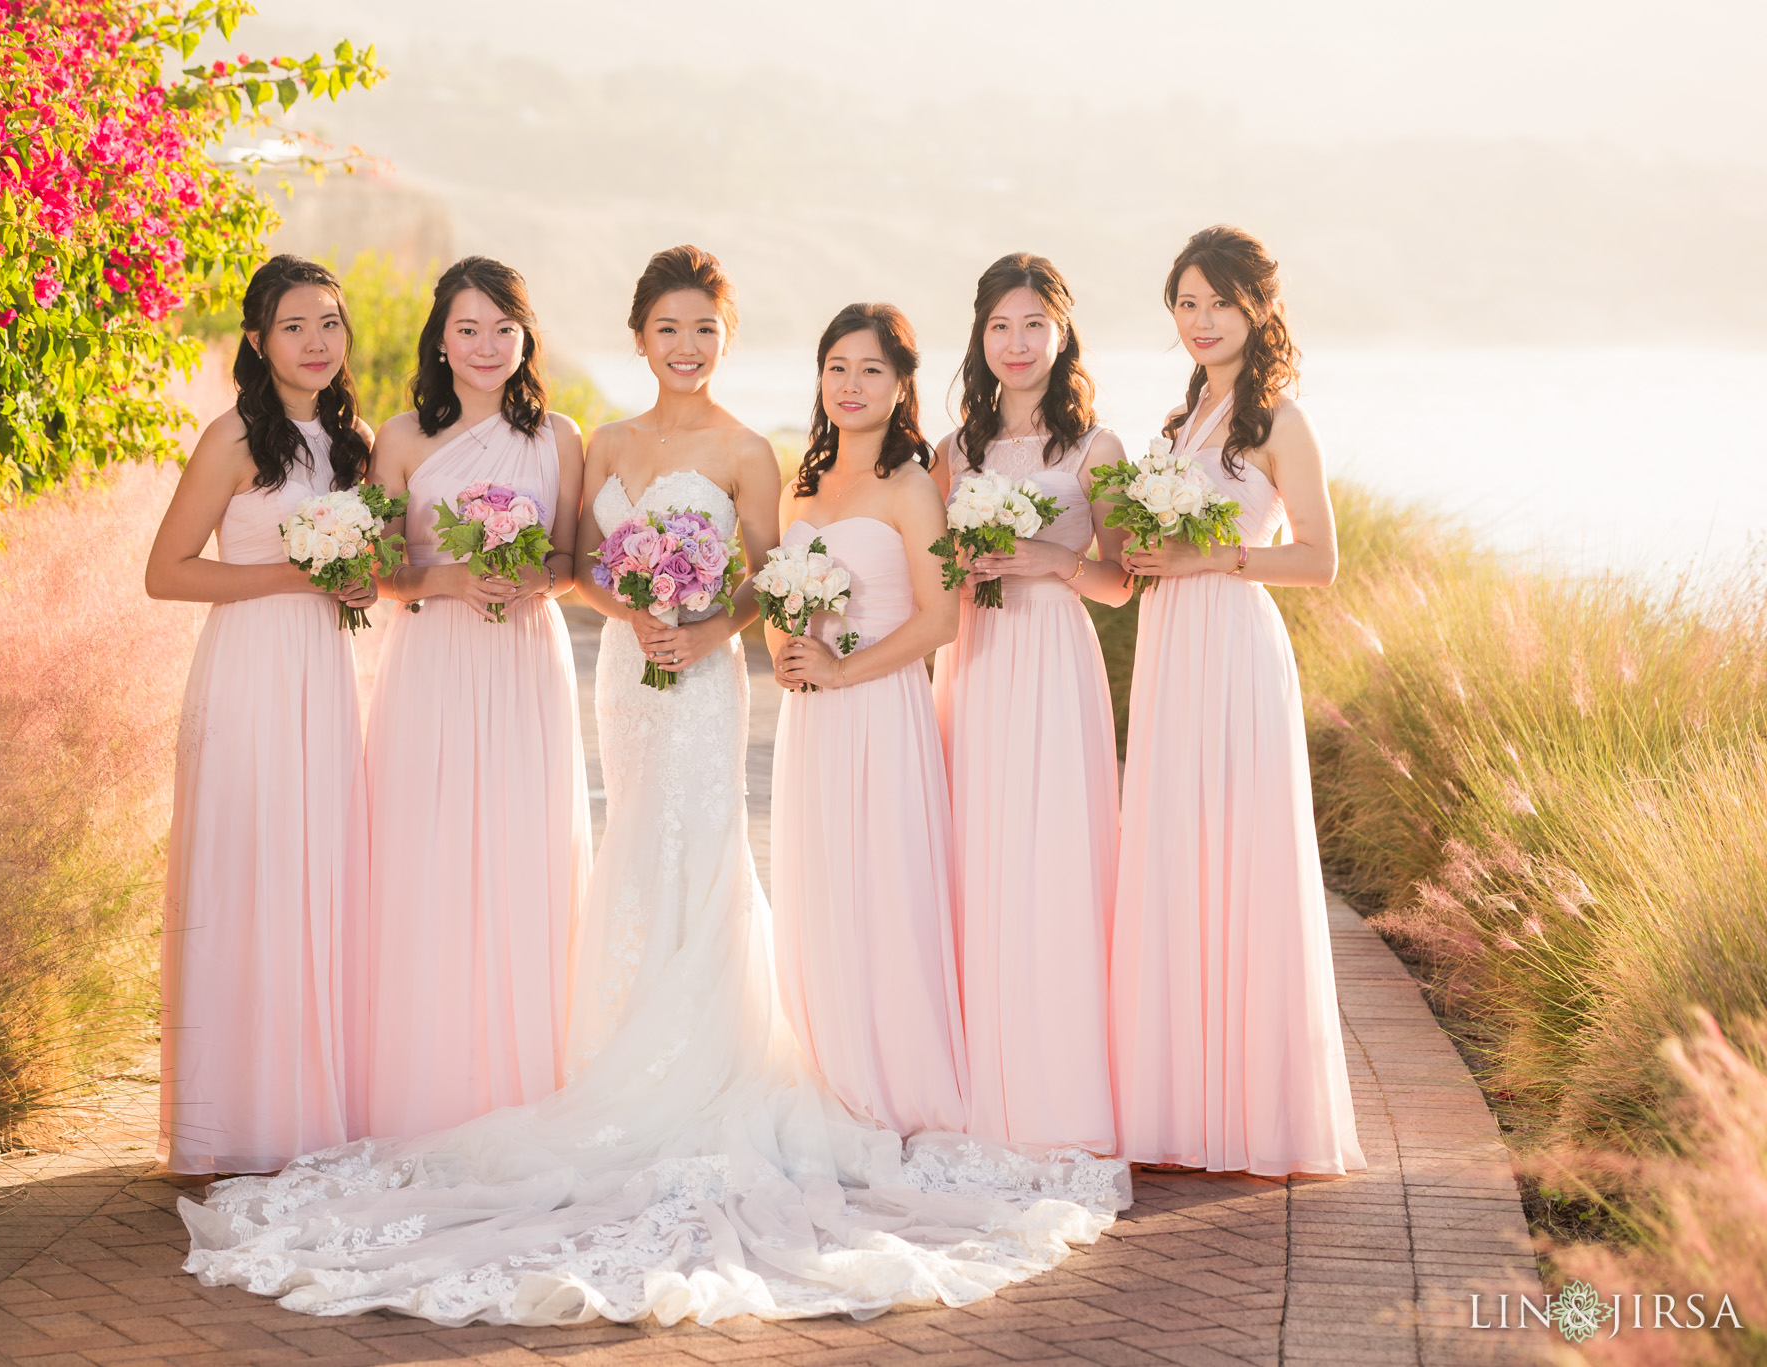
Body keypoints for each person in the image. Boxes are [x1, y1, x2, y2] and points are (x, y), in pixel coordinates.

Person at [178, 250, 1128, 1327]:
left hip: (704, 674)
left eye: (705, 331)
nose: (686, 347)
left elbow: (773, 580)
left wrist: (711, 625)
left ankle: (705, 1058)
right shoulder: (606, 443)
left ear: (726, 340)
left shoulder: (748, 451)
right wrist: (628, 609)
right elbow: (574, 560)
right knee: (628, 842)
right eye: (668, 329)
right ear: (639, 336)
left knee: (704, 851)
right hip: (624, 671)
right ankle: (609, 1049)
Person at [1108, 225, 1366, 1177]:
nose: (1201, 321)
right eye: (1186, 303)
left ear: (1258, 307)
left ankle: (1253, 1112)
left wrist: (1208, 555)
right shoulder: (1182, 422)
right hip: (1175, 647)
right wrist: (1145, 554)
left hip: (1237, 649)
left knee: (1240, 859)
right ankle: (1180, 1103)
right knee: (1178, 853)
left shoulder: (1279, 421)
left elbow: (1320, 561)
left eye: (1218, 302)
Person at [143, 254, 376, 1175]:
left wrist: (357, 580)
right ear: (257, 340)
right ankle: (234, 1125)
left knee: (317, 874)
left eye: (330, 323)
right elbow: (166, 572)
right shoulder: (234, 436)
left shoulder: (354, 441)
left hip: (325, 671)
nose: (317, 342)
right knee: (248, 874)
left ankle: (306, 1109)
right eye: (294, 326)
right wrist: (299, 573)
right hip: (248, 673)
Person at [353, 257, 592, 1141]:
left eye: (502, 328)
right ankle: (427, 1083)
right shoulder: (403, 436)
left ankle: (523, 1081)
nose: (486, 346)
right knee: (428, 849)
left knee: (524, 853)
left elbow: (571, 563)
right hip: (433, 660)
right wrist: (448, 578)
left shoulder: (561, 436)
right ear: (440, 340)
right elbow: (379, 570)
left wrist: (529, 574)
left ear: (526, 336)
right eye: (467, 329)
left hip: (526, 658)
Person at [929, 254, 1130, 1151]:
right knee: (975, 848)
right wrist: (964, 568)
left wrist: (1050, 558)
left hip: (1053, 657)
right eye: (1000, 326)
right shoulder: (952, 453)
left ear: (1062, 334)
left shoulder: (1098, 448)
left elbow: (1122, 584)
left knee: (1054, 852)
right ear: (979, 336)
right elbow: (932, 572)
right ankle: (978, 1071)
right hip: (977, 659)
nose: (1017, 344)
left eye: (1034, 326)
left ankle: (1057, 1079)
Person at [767, 302, 968, 1136]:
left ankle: (890, 1079)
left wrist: (848, 666)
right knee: (819, 884)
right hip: (813, 718)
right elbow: (782, 596)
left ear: (900, 385)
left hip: (881, 707)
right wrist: (785, 642)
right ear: (820, 378)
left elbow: (942, 617)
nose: (851, 385)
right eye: (838, 368)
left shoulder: (913, 486)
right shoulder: (799, 487)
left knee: (883, 884)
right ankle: (826, 1064)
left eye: (871, 370)